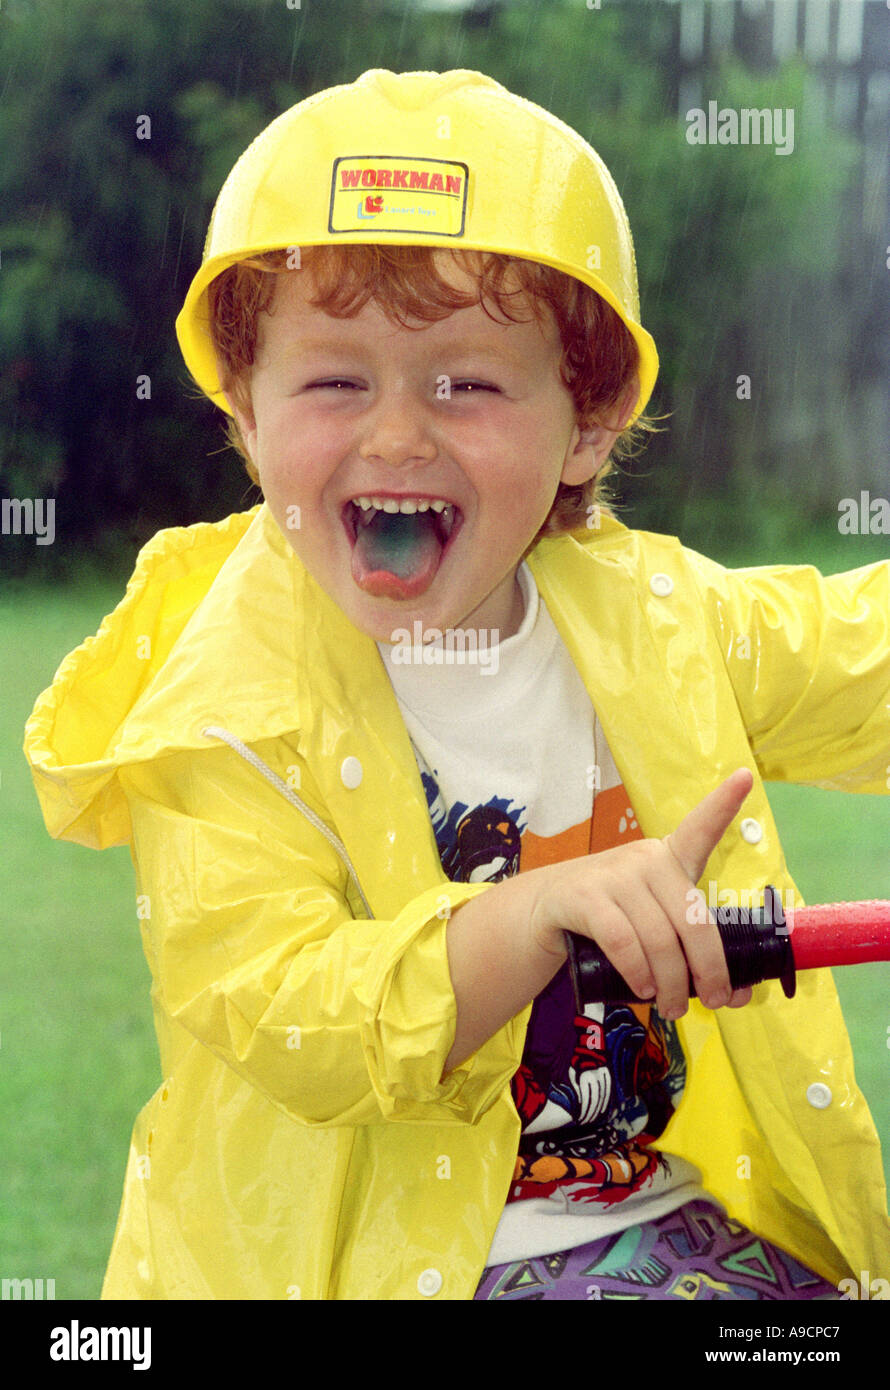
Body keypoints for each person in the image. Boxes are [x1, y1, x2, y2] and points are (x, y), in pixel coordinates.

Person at [25, 68, 890, 1301]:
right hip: (365, 1268)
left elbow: (864, 656)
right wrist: (528, 919)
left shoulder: (656, 619)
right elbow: (292, 1008)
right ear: (247, 415)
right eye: (333, 380)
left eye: (465, 383)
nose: (393, 436)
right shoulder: (218, 700)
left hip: (652, 1225)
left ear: (583, 424)